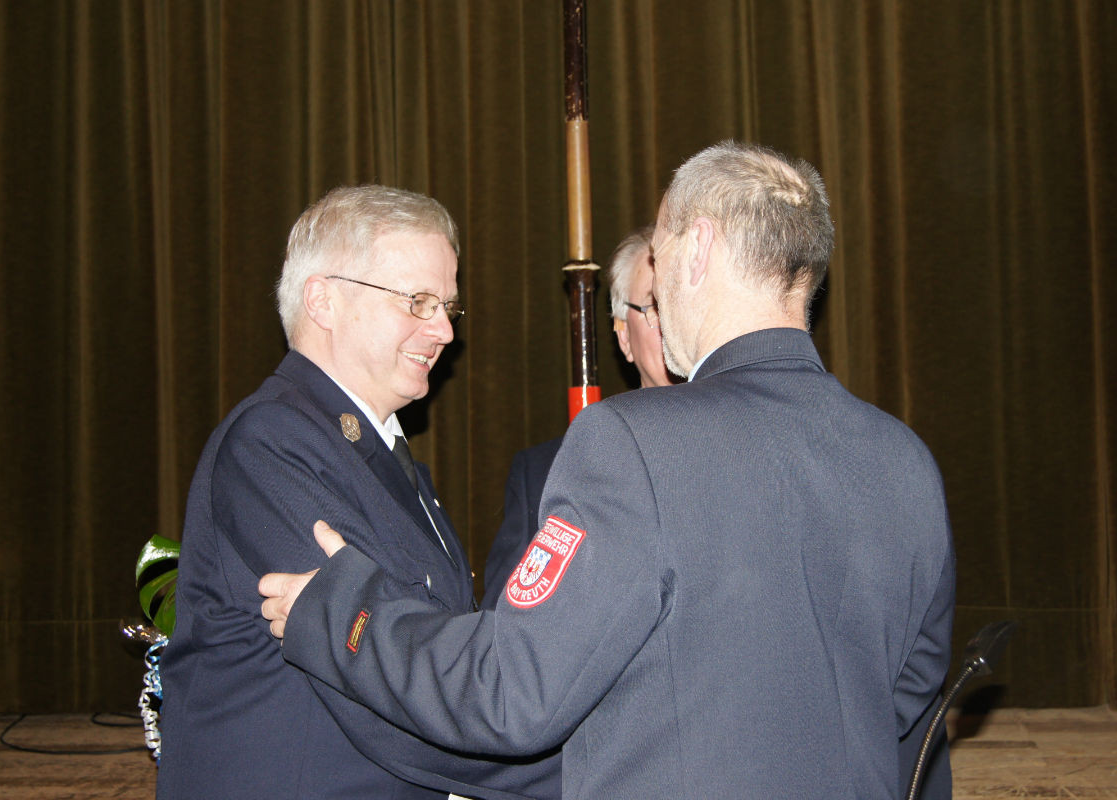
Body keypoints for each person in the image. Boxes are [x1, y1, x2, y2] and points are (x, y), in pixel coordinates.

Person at [261, 143, 956, 798]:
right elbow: (908, 697)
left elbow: (512, 690)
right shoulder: (904, 459)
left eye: (658, 251)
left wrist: (344, 613)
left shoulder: (633, 443)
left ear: (700, 248)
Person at [158, 185, 556, 799]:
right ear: (323, 300)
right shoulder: (273, 441)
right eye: (418, 301)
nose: (444, 329)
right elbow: (382, 684)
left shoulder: (375, 453)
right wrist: (586, 765)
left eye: (448, 305)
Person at [481, 226, 677, 609]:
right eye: (656, 307)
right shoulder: (546, 475)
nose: (674, 325)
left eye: (685, 303)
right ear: (623, 335)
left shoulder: (758, 446)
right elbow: (505, 632)